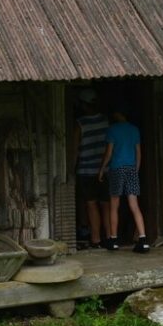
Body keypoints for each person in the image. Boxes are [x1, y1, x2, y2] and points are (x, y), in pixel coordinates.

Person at [97, 108, 150, 253]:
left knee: (114, 205)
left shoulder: (112, 130)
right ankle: (143, 240)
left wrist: (102, 168)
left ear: (118, 114)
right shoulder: (134, 130)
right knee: (134, 205)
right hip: (131, 169)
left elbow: (109, 153)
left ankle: (113, 240)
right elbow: (138, 153)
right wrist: (135, 169)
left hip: (116, 169)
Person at [71, 89, 110, 248]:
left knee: (91, 204)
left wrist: (71, 169)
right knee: (106, 205)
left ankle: (96, 239)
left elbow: (75, 149)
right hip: (105, 170)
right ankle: (110, 237)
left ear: (83, 105)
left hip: (86, 171)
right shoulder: (106, 121)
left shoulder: (80, 124)